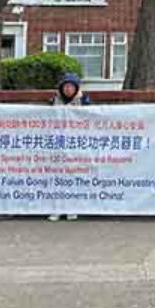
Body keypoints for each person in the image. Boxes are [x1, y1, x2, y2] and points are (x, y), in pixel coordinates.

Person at [49, 73, 89, 221]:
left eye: (71, 86)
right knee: (57, 177)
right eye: (65, 86)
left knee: (74, 176)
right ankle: (57, 209)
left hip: (77, 144)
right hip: (57, 143)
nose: (68, 89)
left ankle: (72, 208)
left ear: (76, 88)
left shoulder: (84, 101)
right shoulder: (54, 101)